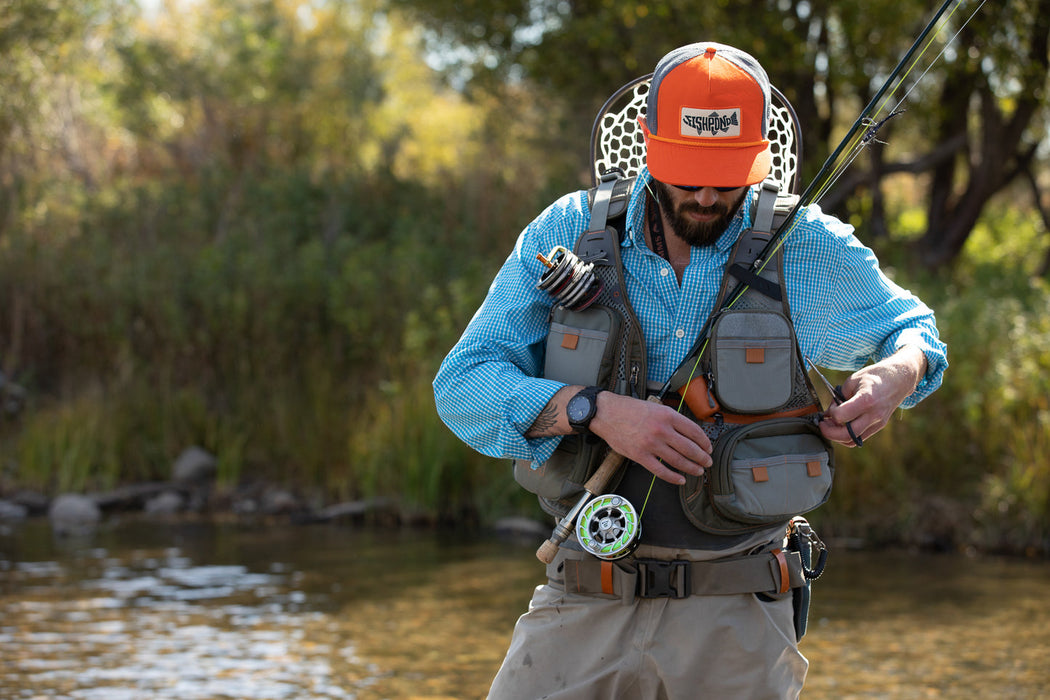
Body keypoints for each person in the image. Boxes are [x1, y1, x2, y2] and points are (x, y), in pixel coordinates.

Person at [433, 41, 946, 700]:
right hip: (581, 596)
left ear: (761, 157)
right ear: (647, 146)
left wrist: (894, 377)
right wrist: (595, 411)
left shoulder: (804, 245)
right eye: (686, 171)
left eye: (726, 175)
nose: (705, 193)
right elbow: (463, 382)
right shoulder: (566, 229)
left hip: (739, 617)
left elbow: (916, 336)